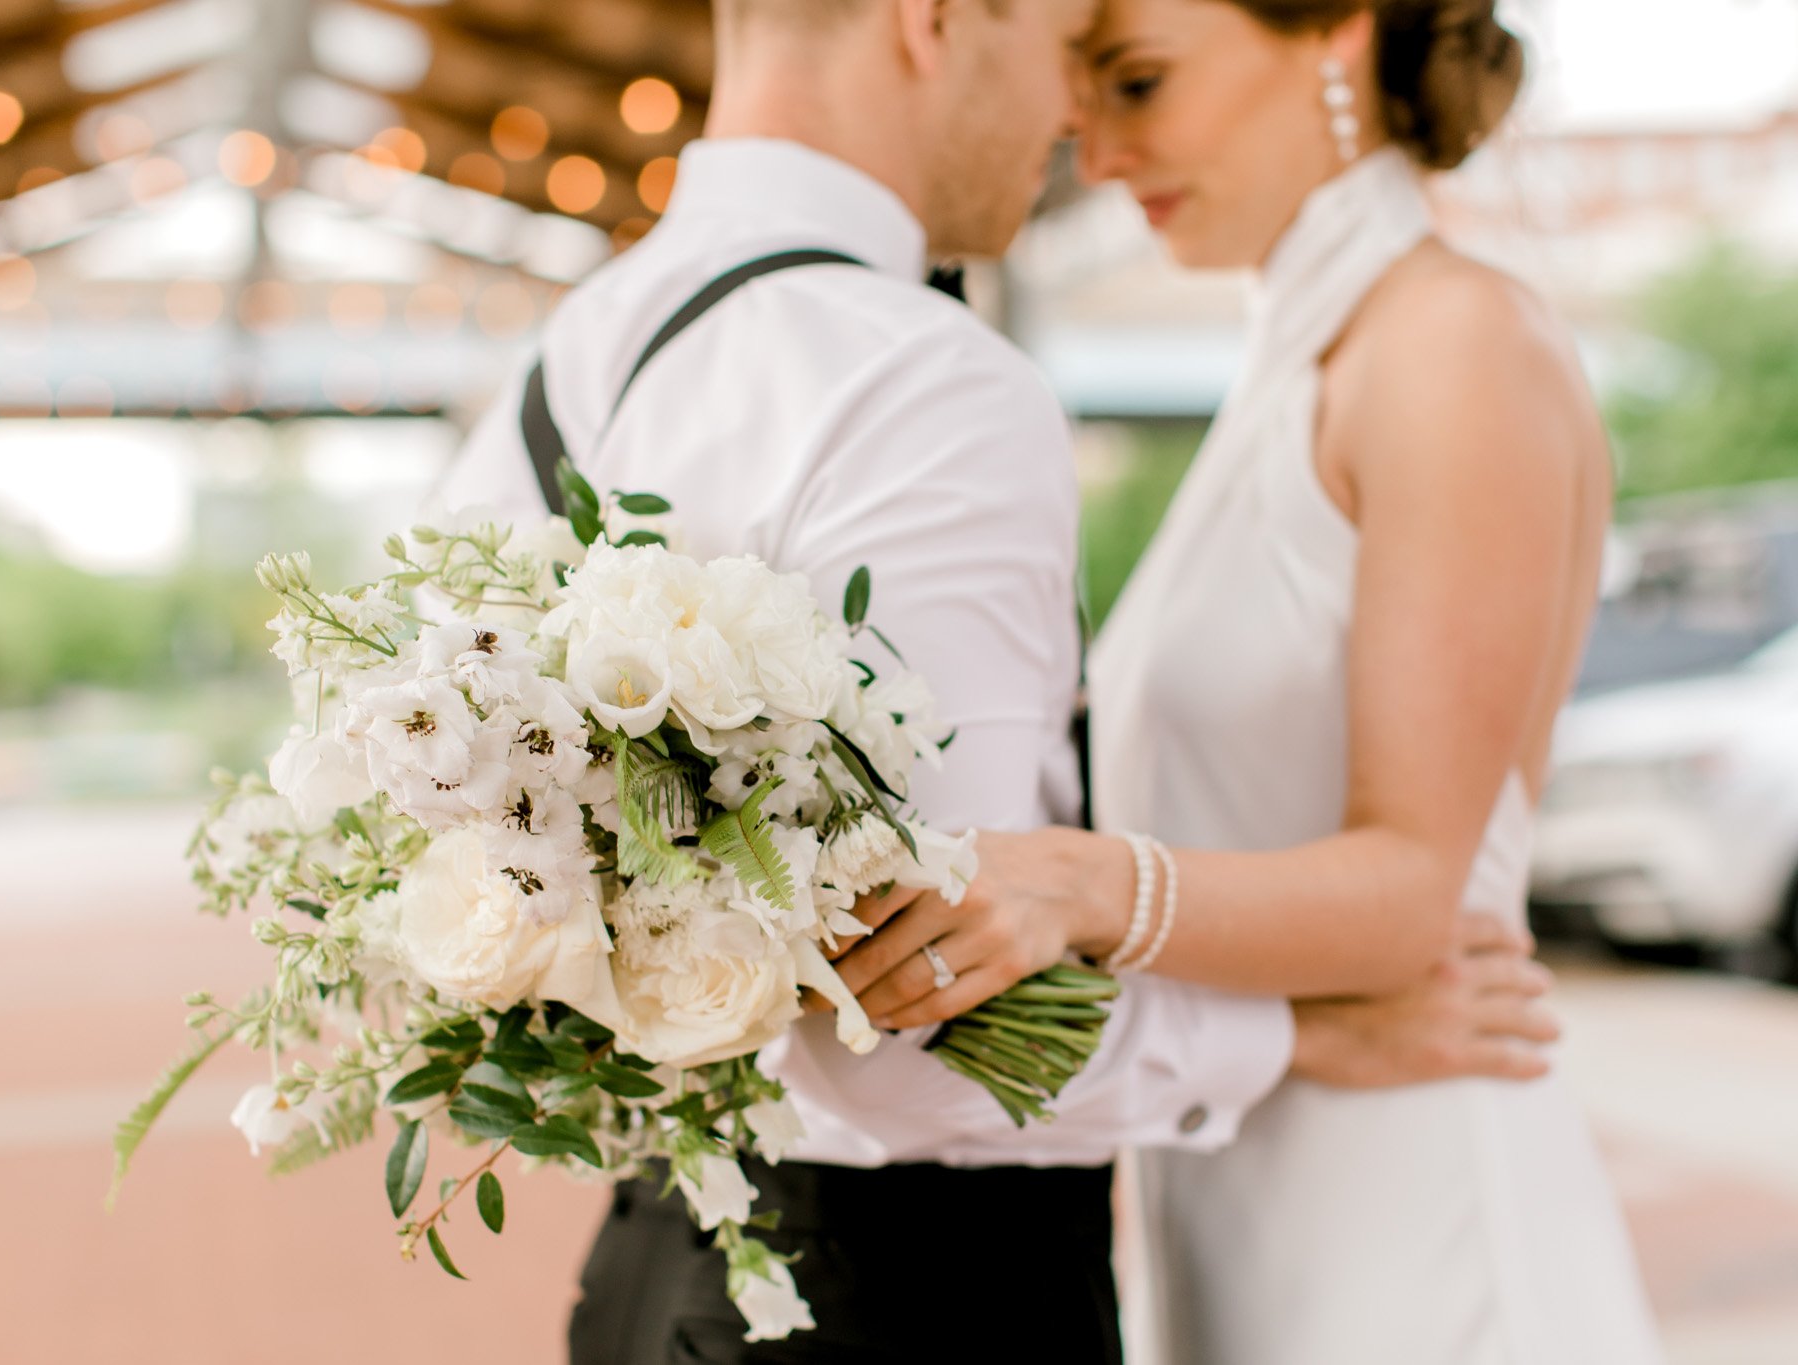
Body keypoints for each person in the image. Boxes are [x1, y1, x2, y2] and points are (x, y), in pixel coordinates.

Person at [431, 1, 1554, 1359]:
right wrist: (1294, 1036)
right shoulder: (924, 379)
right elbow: (912, 1026)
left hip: (652, 1266)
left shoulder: (568, 358)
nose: (1077, 119)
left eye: (1127, 71)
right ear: (939, 16)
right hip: (908, 1295)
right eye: (1071, 49)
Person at [840, 2, 1665, 1361]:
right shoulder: (1300, 360)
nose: (1093, 155)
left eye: (1140, 82)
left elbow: (1411, 886)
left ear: (1337, 30)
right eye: (1082, 93)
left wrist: (1081, 881)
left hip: (1420, 1219)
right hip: (1244, 1194)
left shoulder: (1452, 342)